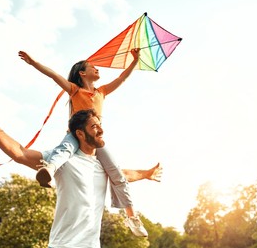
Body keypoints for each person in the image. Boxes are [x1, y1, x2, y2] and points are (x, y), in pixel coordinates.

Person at [19, 49, 160, 236]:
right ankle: (49, 170)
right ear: (82, 73)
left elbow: (122, 78)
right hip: (75, 134)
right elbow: (53, 75)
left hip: (94, 139)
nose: (97, 69)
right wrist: (33, 62)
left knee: (116, 173)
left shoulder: (102, 91)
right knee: (65, 149)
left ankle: (132, 217)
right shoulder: (74, 89)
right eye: (92, 67)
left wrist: (134, 61)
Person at [0, 106, 142, 248]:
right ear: (80, 134)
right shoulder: (64, 159)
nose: (101, 130)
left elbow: (124, 176)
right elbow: (22, 154)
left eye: (100, 125)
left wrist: (147, 174)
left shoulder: (103, 166)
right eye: (94, 127)